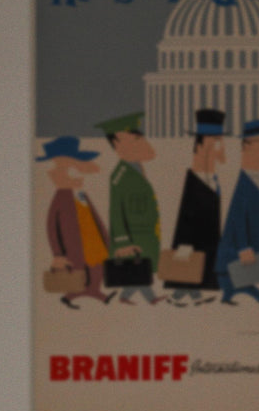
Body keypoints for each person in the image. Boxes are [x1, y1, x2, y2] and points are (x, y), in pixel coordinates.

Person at [95, 112, 165, 305]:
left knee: (140, 269)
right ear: (117, 145)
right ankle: (145, 298)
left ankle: (129, 297)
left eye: (140, 139)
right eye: (134, 141)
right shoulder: (120, 176)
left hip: (146, 234)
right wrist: (122, 242)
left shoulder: (137, 168)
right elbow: (116, 212)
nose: (142, 144)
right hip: (133, 237)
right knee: (137, 269)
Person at [37, 136, 114, 309]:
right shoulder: (61, 198)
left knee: (96, 268)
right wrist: (57, 254)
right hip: (74, 246)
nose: (80, 173)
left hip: (93, 243)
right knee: (77, 271)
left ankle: (94, 290)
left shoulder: (80, 194)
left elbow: (94, 217)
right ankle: (72, 294)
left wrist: (105, 238)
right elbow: (52, 227)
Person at [165, 109, 226, 306]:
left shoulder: (212, 178)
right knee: (190, 255)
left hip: (207, 238)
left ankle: (193, 292)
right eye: (216, 142)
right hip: (192, 237)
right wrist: (183, 246)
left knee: (205, 254)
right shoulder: (195, 179)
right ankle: (183, 292)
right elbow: (187, 218)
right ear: (201, 145)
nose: (221, 148)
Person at [215, 119, 259, 305]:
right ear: (247, 146)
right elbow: (238, 217)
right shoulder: (245, 182)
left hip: (254, 242)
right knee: (237, 266)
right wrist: (243, 247)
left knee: (249, 269)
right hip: (239, 249)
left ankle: (235, 287)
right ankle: (230, 287)